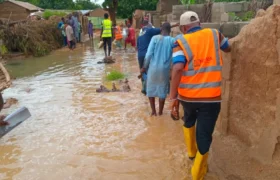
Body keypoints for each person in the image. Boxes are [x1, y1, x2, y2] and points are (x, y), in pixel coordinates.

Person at [169, 11, 231, 180]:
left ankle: (191, 153)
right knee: (204, 133)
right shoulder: (214, 34)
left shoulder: (179, 41)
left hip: (187, 97)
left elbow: (177, 68)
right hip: (211, 98)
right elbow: (228, 47)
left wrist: (173, 97)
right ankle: (197, 174)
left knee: (188, 120)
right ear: (200, 23)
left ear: (183, 28)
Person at [140, 22, 175, 116]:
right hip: (165, 70)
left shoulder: (155, 38)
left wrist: (144, 67)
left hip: (153, 69)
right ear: (170, 31)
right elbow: (174, 57)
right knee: (162, 91)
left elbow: (148, 55)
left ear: (161, 29)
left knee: (151, 90)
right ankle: (160, 112)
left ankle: (153, 112)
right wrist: (172, 71)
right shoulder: (172, 40)